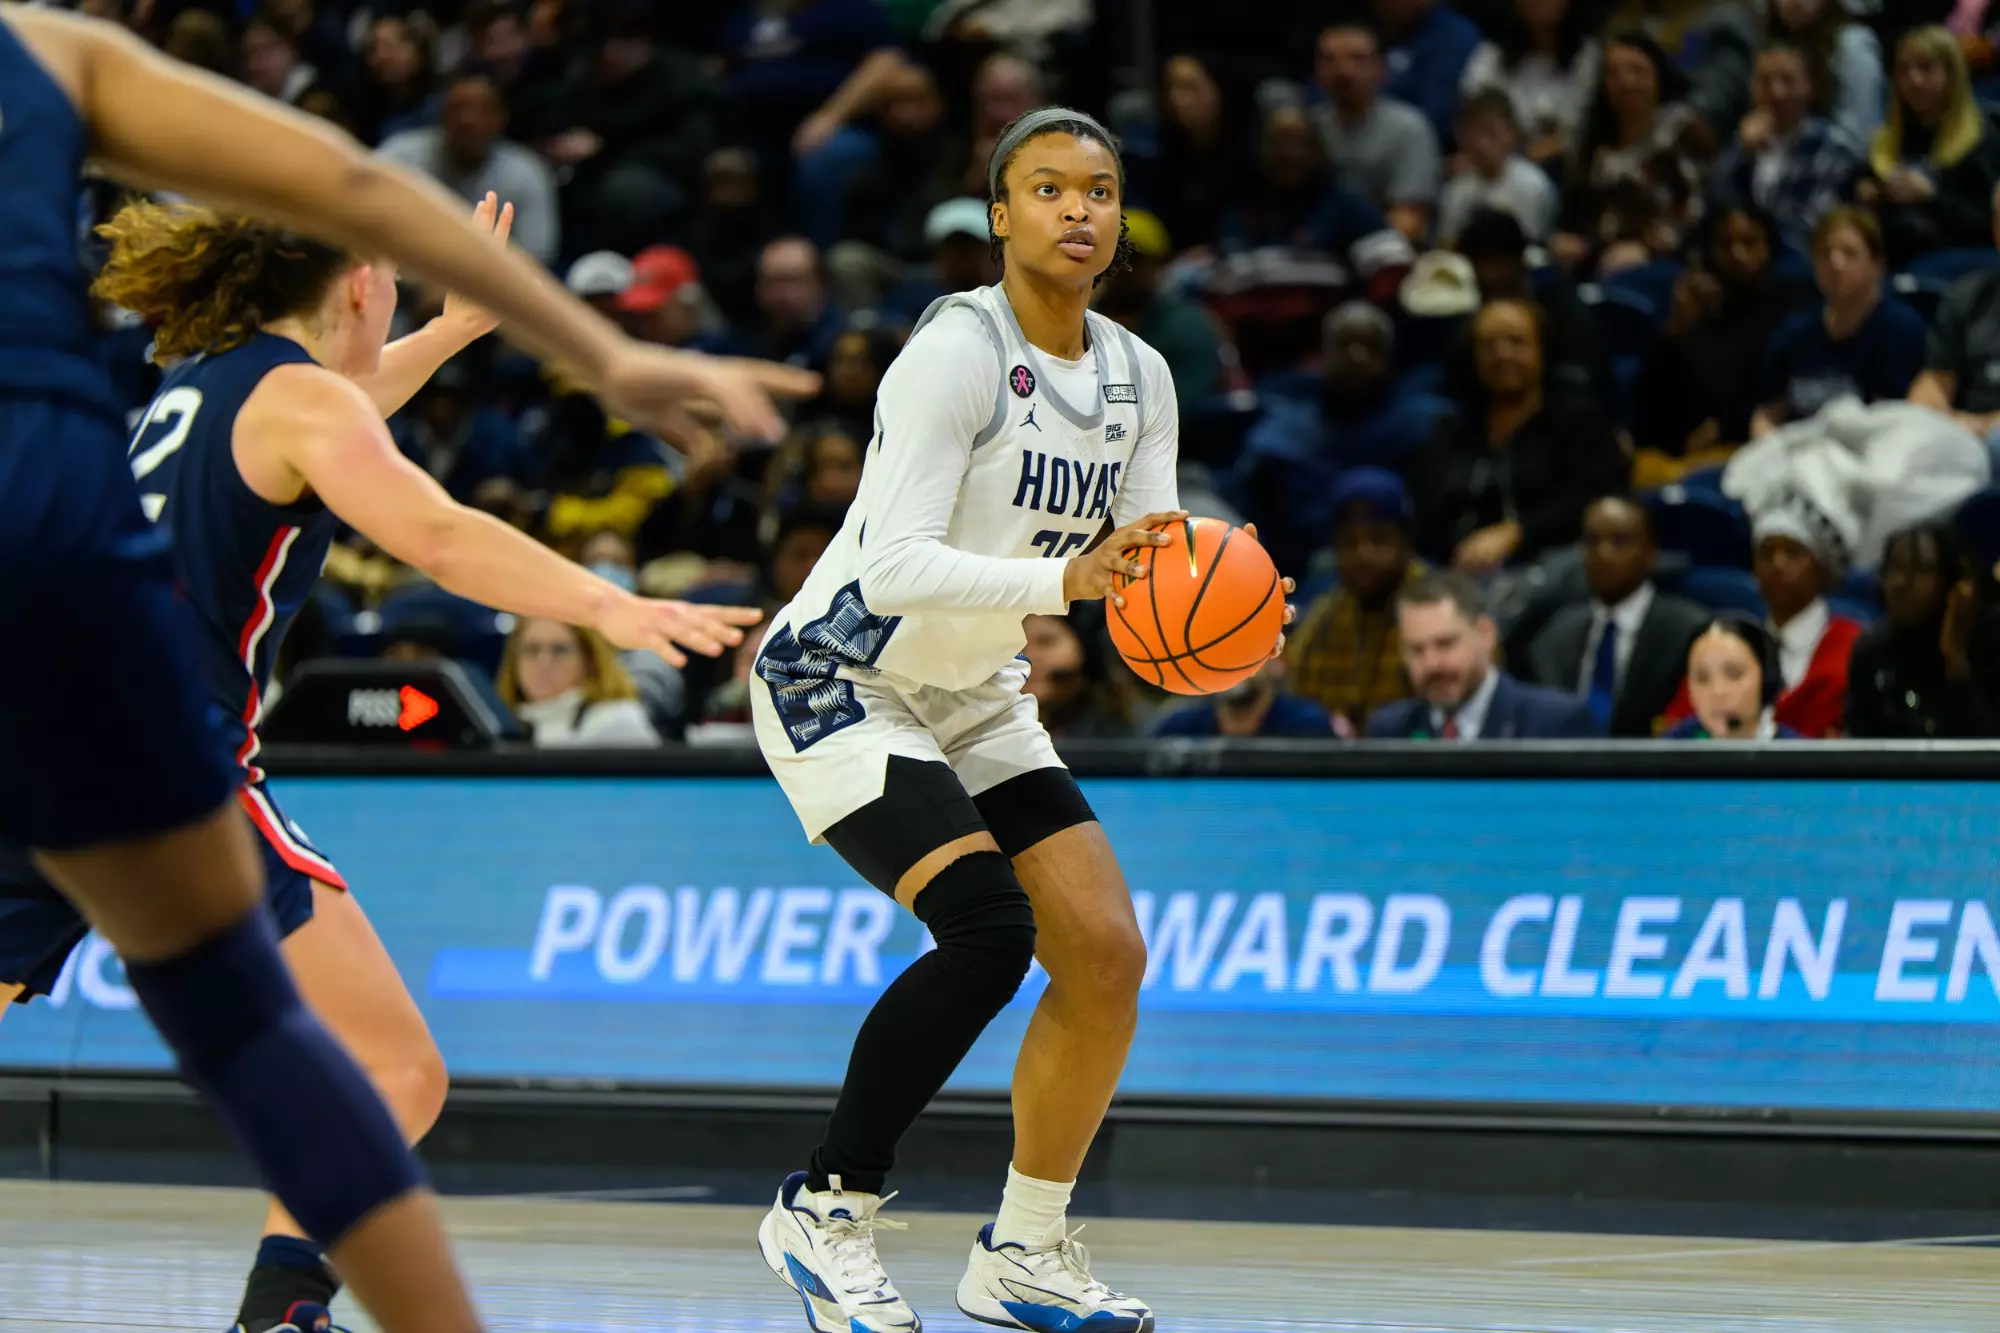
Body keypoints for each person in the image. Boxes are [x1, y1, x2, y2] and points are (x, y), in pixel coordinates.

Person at [0, 8, 810, 1332]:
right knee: (393, 1065)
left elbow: (336, 418)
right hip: (164, 755)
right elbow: (432, 527)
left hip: (35, 730)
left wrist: (456, 336)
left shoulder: (210, 387)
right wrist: (611, 603)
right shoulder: (298, 401)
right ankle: (283, 1316)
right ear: (355, 276)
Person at [749, 108, 1291, 1333]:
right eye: (1046, 189)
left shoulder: (1138, 376)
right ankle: (824, 1207)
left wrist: (1237, 608)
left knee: (1103, 956)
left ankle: (1025, 1254)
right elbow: (889, 566)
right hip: (839, 673)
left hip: (973, 689)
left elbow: (1144, 584)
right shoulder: (953, 351)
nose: (1076, 211)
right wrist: (1066, 583)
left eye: (1097, 190)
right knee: (987, 928)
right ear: (1000, 215)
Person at [1409, 298, 1627, 573]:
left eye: (1517, 342)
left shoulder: (1579, 422)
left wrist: (1519, 532)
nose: (1502, 354)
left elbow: (1596, 501)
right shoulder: (1451, 431)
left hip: (1551, 568)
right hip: (1458, 572)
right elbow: (1428, 513)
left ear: (1541, 350)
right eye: (1488, 345)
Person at [1632, 202, 1809, 471]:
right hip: (1683, 456)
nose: (1739, 254)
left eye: (1750, 242)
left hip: (1757, 449)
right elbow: (1648, 411)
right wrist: (1675, 331)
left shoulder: (1791, 307)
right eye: (1726, 244)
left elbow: (1783, 393)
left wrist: (1725, 427)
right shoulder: (1691, 307)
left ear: (1769, 247)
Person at [1524, 496, 1709, 737]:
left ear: (1650, 553)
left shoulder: (1688, 630)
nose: (1603, 553)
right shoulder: (1553, 636)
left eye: (1619, 541)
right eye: (1592, 541)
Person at [1751, 207, 1926, 436]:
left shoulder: (1901, 330)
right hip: (1799, 453)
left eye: (1849, 253)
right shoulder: (1794, 332)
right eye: (1825, 254)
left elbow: (1901, 421)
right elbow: (1768, 413)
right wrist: (1769, 445)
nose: (1835, 263)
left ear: (1877, 265)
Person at [1366, 571, 1599, 738]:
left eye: (1446, 644)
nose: (1432, 664)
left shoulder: (1554, 724)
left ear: (1486, 634)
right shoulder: (1389, 731)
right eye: (1416, 650)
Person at [1550, 30, 1705, 276]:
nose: (1626, 82)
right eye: (1614, 73)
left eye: (1637, 71)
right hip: (1593, 263)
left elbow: (1693, 217)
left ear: (1657, 76)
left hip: (1664, 263)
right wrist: (1567, 243)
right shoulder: (1589, 148)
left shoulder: (1682, 134)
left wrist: (1646, 249)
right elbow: (1573, 220)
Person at [1285, 468, 1427, 734]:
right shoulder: (1320, 621)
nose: (1364, 555)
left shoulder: (1440, 611)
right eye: (1350, 542)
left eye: (1379, 540)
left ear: (1406, 541)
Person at [376, 69, 561, 264]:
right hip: (408, 276)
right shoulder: (400, 156)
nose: (467, 119)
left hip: (489, 284)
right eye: (458, 108)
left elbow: (536, 258)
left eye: (482, 109)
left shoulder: (526, 174)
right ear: (441, 114)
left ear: (501, 118)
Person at [1860, 25, 2000, 269]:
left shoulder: (1982, 140)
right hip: (1893, 259)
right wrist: (1870, 194)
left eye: (1925, 68)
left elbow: (1987, 223)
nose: (1914, 80)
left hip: (1960, 263)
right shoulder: (1886, 141)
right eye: (1904, 70)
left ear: (1951, 74)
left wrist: (1932, 195)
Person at [1705, 41, 1864, 255]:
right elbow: (1714, 208)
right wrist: (1740, 153)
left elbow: (1810, 230)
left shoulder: (1833, 148)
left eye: (1787, 80)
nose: (1776, 92)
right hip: (1741, 258)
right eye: (1765, 82)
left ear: (1809, 87)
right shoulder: (1742, 142)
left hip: (1798, 263)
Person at [1844, 521, 2000, 738]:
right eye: (1894, 568)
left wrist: (1955, 658)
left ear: (1950, 582)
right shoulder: (1871, 652)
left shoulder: (1988, 644)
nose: (1901, 582)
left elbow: (1986, 755)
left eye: (1921, 569)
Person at [1310, 22, 1443, 243]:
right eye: (1330, 60)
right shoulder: (1310, 127)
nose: (1344, 71)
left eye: (1357, 59)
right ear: (1317, 71)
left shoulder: (1408, 128)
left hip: (1384, 253)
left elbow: (1411, 219)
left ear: (1380, 69)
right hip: (1316, 254)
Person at [1910, 181, 2000, 470]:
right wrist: (1943, 419)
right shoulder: (1967, 297)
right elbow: (1934, 381)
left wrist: (1985, 426)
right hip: (1965, 438)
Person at [1458, 0, 1600, 170]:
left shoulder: (1588, 57)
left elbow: (1582, 131)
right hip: (1496, 169)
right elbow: (1471, 117)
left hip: (1564, 172)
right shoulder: (1491, 56)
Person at [497, 618, 664, 746]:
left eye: (559, 650)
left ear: (590, 659)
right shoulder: (502, 723)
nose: (543, 663)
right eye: (531, 650)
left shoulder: (616, 721)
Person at [1438, 87, 1560, 245]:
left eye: (1490, 132)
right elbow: (1447, 246)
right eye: (1473, 133)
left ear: (1511, 133)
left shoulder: (1532, 186)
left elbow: (1533, 248)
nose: (1481, 143)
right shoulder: (1456, 190)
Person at [1764, 0, 1885, 146]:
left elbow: (1861, 138)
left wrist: (1795, 131)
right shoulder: (1775, 47)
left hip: (1838, 161)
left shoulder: (1852, 45)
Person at [1663, 616, 1802, 739]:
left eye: (1734, 674)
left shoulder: (1797, 758)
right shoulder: (1672, 748)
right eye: (1702, 678)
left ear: (1766, 678)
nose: (1718, 692)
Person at [1154, 659, 1336, 737]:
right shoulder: (1176, 730)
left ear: (1278, 660)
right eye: (1219, 651)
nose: (1231, 664)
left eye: (1245, 649)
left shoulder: (1309, 728)